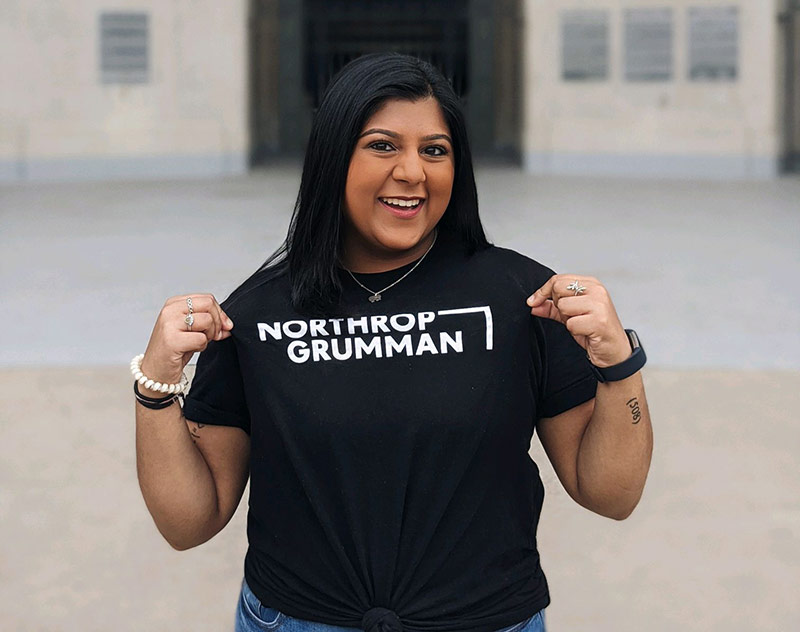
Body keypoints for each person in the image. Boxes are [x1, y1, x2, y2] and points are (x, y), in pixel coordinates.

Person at [133, 53, 653, 632]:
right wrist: (155, 387)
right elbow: (189, 524)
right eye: (382, 145)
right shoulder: (258, 312)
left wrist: (618, 363)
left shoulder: (520, 297)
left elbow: (612, 493)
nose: (413, 172)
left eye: (435, 150)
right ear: (334, 158)